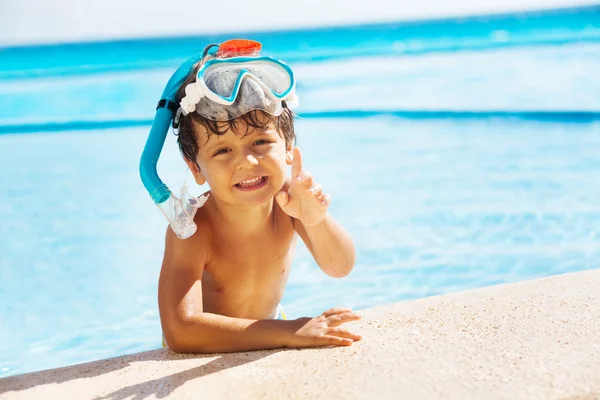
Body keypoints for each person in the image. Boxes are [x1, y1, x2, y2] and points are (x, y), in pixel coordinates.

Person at [158, 39, 362, 353]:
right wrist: (287, 331)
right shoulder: (193, 231)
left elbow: (340, 267)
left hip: (272, 326)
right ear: (196, 168)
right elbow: (182, 331)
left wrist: (316, 219)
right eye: (222, 150)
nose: (247, 161)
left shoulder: (289, 204)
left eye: (260, 142)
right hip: (209, 339)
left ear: (289, 147)